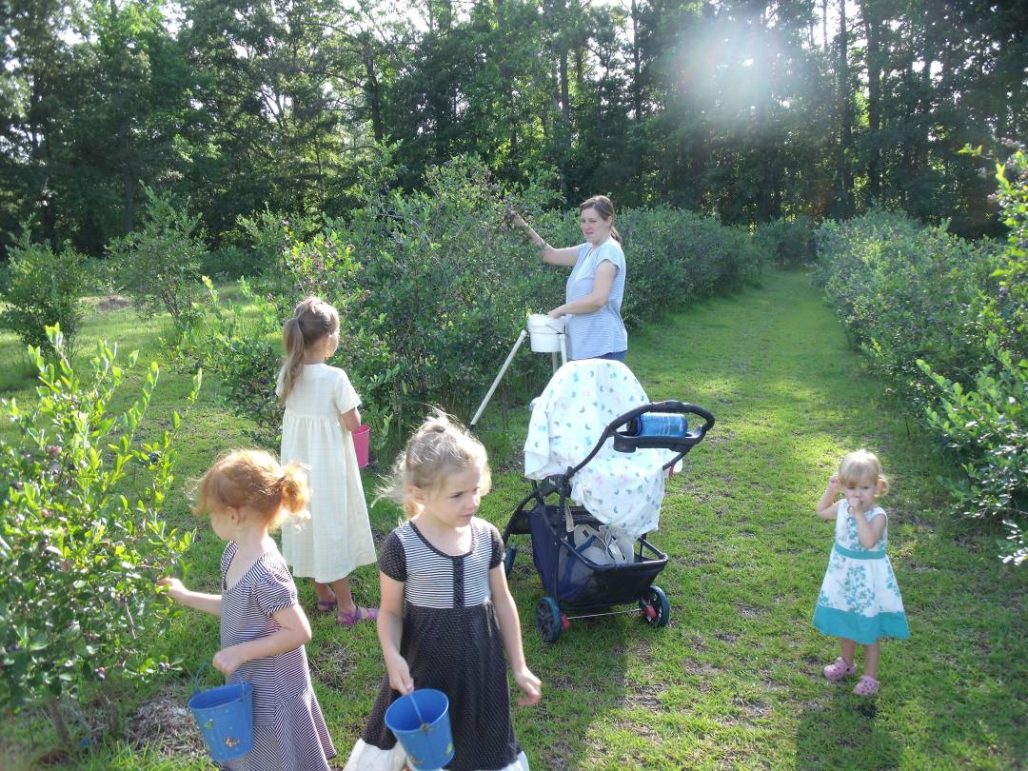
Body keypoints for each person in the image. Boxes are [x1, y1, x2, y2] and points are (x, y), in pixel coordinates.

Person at [344, 411, 542, 771]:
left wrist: (520, 665)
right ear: (418, 493)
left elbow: (501, 601)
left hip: (481, 671)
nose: (472, 503)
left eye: (475, 490)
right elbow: (389, 612)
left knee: (480, 746)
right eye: (457, 495)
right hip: (425, 671)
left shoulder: (486, 537)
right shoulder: (402, 545)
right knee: (423, 752)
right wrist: (392, 656)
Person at [159, 449, 336, 770]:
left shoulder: (266, 573)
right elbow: (234, 608)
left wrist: (241, 653)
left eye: (211, 512)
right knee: (256, 749)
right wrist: (185, 596)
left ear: (233, 515)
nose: (210, 519)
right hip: (249, 679)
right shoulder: (233, 554)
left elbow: (299, 631)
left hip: (275, 688)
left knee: (278, 752)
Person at [277, 296, 377, 627]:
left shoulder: (288, 374)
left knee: (307, 524)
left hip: (297, 469)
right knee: (332, 529)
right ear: (329, 339)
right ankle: (347, 608)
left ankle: (323, 597)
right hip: (328, 469)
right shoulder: (335, 378)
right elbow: (352, 423)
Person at [813, 450, 910, 696]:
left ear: (877, 487)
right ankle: (846, 663)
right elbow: (821, 511)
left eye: (865, 488)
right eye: (852, 487)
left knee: (868, 629)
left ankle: (870, 677)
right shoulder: (843, 505)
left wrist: (857, 513)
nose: (857, 494)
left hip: (867, 581)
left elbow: (868, 542)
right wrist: (832, 490)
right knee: (846, 621)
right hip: (843, 575)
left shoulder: (877, 516)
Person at [510, 195, 628, 361]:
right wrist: (521, 225)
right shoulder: (588, 249)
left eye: (592, 221)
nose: (586, 226)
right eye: (583, 221)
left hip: (602, 347)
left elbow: (598, 299)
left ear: (608, 220)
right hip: (583, 347)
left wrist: (561, 310)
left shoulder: (609, 251)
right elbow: (549, 254)